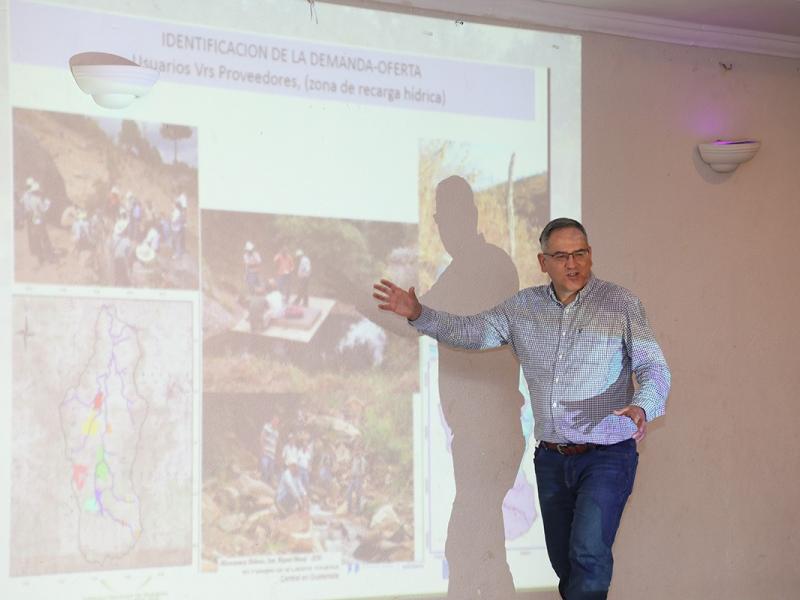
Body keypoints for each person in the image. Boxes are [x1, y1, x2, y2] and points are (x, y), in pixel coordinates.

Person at [374, 217, 671, 600]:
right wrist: (419, 313)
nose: (572, 263)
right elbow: (473, 332)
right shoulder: (523, 308)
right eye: (561, 256)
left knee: (588, 554)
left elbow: (653, 367)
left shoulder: (621, 304)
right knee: (565, 565)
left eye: (580, 253)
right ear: (542, 262)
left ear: (590, 255)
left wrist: (643, 406)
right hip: (551, 460)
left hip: (607, 456)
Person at [345, 446, 367, 514]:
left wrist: (357, 475)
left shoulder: (362, 460)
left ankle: (358, 510)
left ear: (360, 451)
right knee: (348, 492)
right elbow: (351, 468)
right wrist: (349, 475)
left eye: (357, 450)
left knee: (358, 494)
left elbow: (363, 472)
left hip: (358, 479)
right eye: (355, 450)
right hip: (352, 479)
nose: (356, 452)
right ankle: (349, 509)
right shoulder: (353, 459)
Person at [260, 417, 280, 484]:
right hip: (265, 451)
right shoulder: (267, 427)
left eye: (277, 422)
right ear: (272, 420)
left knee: (271, 471)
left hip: (272, 454)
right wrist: (263, 448)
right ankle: (262, 482)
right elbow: (262, 437)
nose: (275, 423)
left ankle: (266, 484)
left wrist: (275, 454)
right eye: (274, 421)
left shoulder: (277, 432)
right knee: (264, 466)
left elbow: (276, 443)